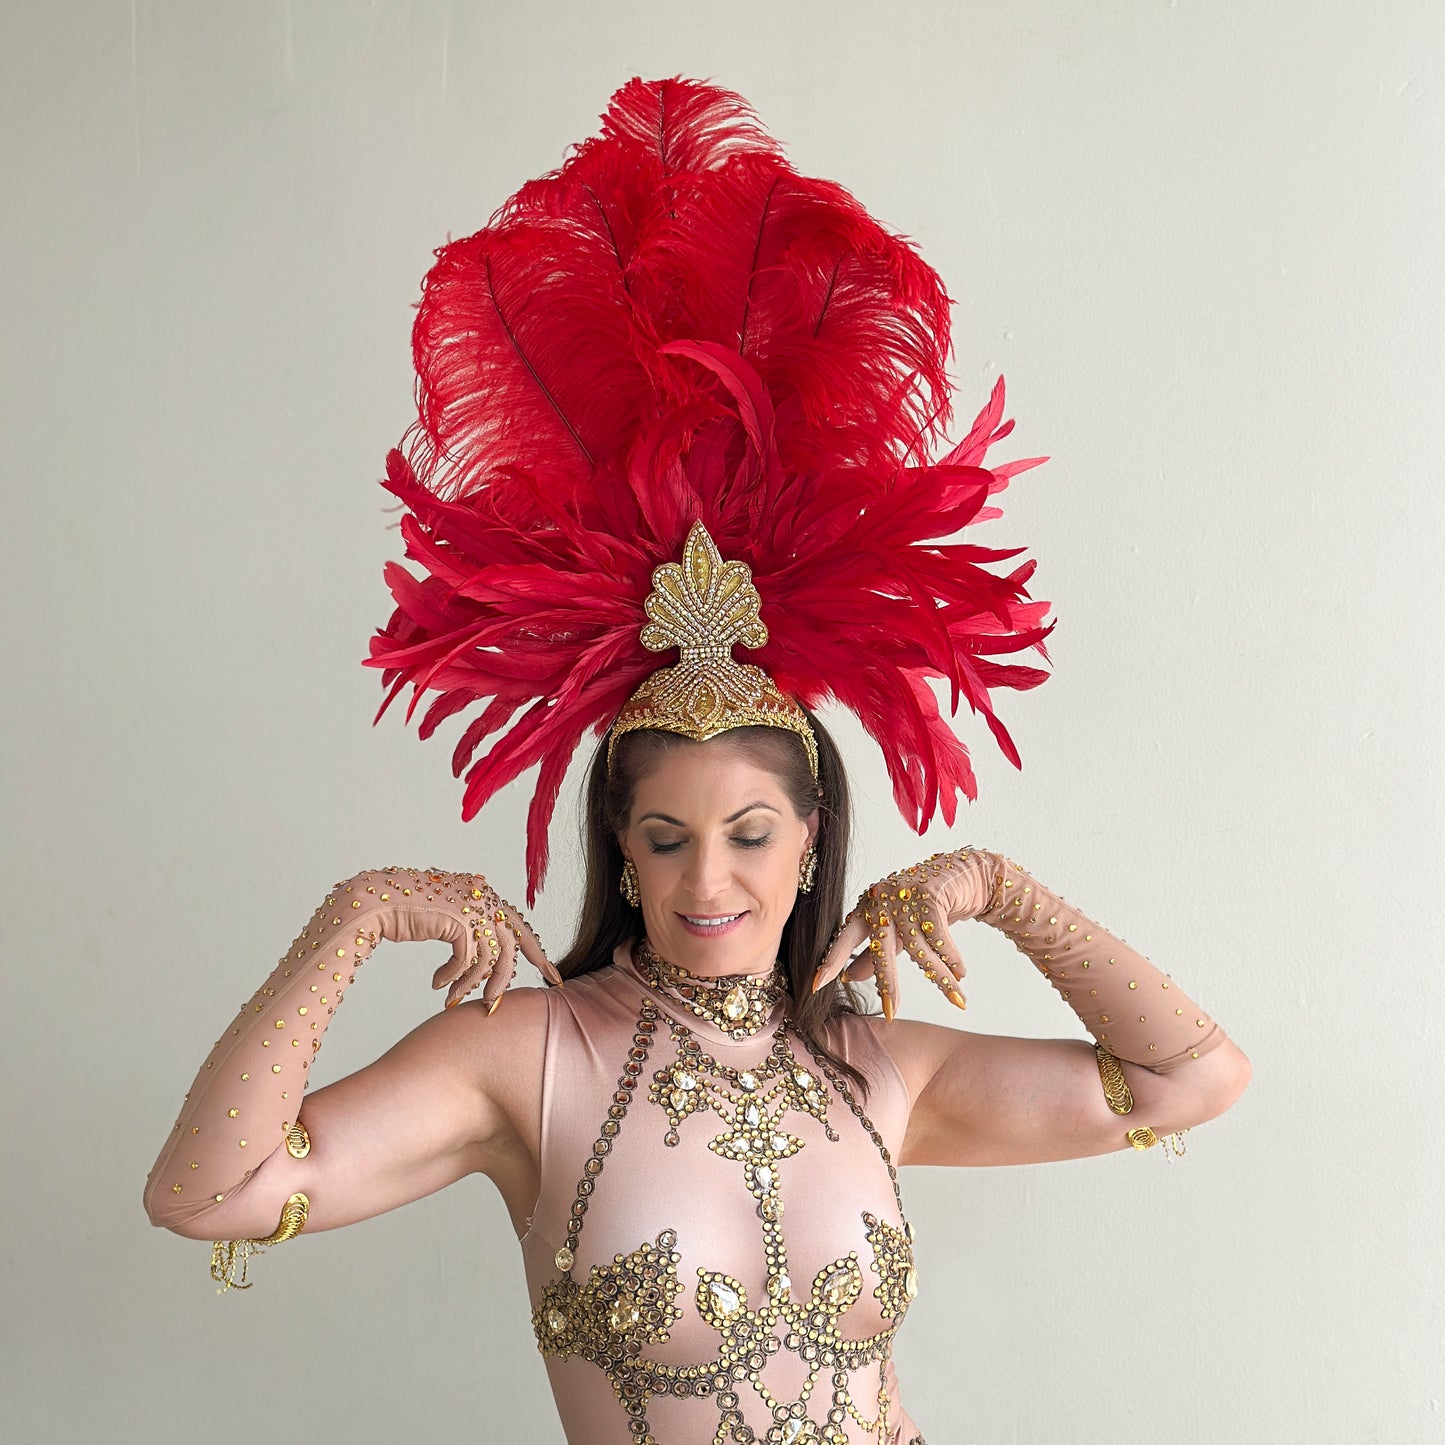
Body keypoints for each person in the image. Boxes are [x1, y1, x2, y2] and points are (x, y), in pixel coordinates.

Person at [143, 78, 1250, 1445]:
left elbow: (1189, 1077)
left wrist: (1001, 888)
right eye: (664, 837)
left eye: (747, 834)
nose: (706, 877)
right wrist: (351, 920)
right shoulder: (524, 1058)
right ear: (621, 850)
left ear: (808, 846)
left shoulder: (870, 1067)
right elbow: (208, 1191)